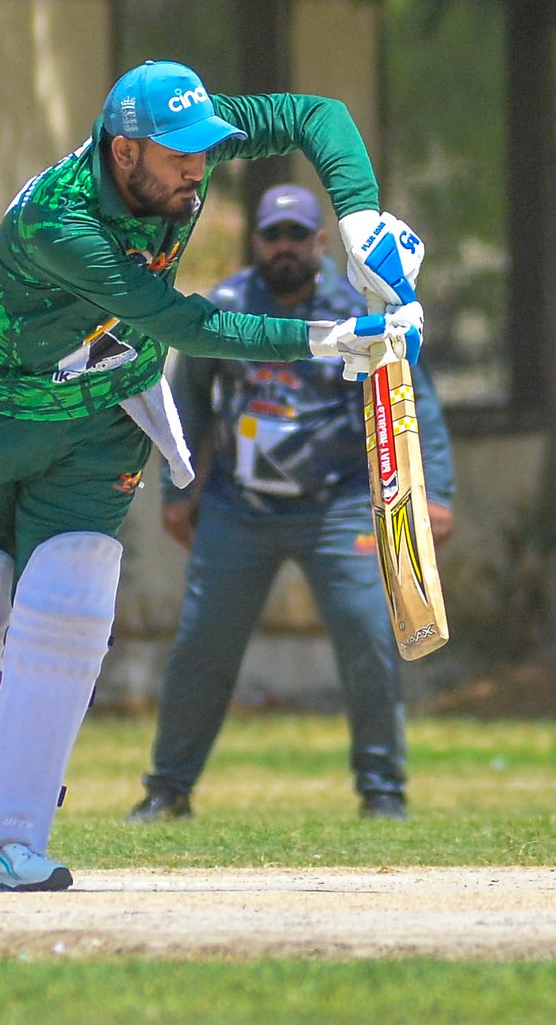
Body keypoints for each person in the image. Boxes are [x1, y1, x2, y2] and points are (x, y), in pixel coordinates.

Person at [0, 60, 430, 893]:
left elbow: (319, 113)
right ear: (125, 150)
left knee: (70, 599)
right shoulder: (61, 221)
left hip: (104, 415)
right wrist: (331, 338)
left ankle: (3, 835)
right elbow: (182, 321)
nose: (197, 170)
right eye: (179, 156)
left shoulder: (183, 146)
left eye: (204, 150)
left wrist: (358, 224)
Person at [127, 184, 455, 825]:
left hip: (341, 504)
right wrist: (177, 489)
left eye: (297, 236)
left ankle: (382, 791)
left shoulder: (361, 307)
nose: (284, 248)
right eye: (273, 236)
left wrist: (434, 493)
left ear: (320, 241)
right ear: (256, 241)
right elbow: (186, 403)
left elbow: (415, 397)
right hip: (238, 507)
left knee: (368, 635)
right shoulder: (225, 307)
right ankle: (168, 790)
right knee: (202, 645)